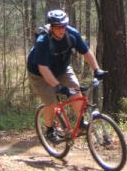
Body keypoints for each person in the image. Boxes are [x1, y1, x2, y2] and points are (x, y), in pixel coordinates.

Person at [27, 9, 106, 144]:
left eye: (63, 26)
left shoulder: (72, 34)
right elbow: (43, 69)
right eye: (58, 27)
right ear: (51, 27)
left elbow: (86, 52)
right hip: (39, 73)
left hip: (61, 68)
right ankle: (50, 129)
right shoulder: (43, 42)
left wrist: (97, 70)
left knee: (76, 90)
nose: (61, 30)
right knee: (51, 103)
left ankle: (80, 124)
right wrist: (58, 87)